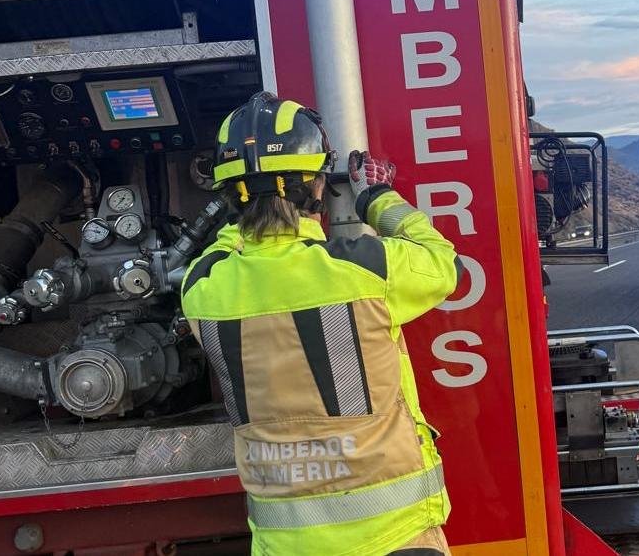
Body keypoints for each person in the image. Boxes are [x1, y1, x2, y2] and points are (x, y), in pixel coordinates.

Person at [181, 92, 460, 556]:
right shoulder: (361, 269)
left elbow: (225, 245)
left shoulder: (204, 288)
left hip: (285, 546)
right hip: (397, 535)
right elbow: (442, 263)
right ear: (316, 186)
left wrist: (247, 213)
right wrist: (376, 195)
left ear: (227, 193)